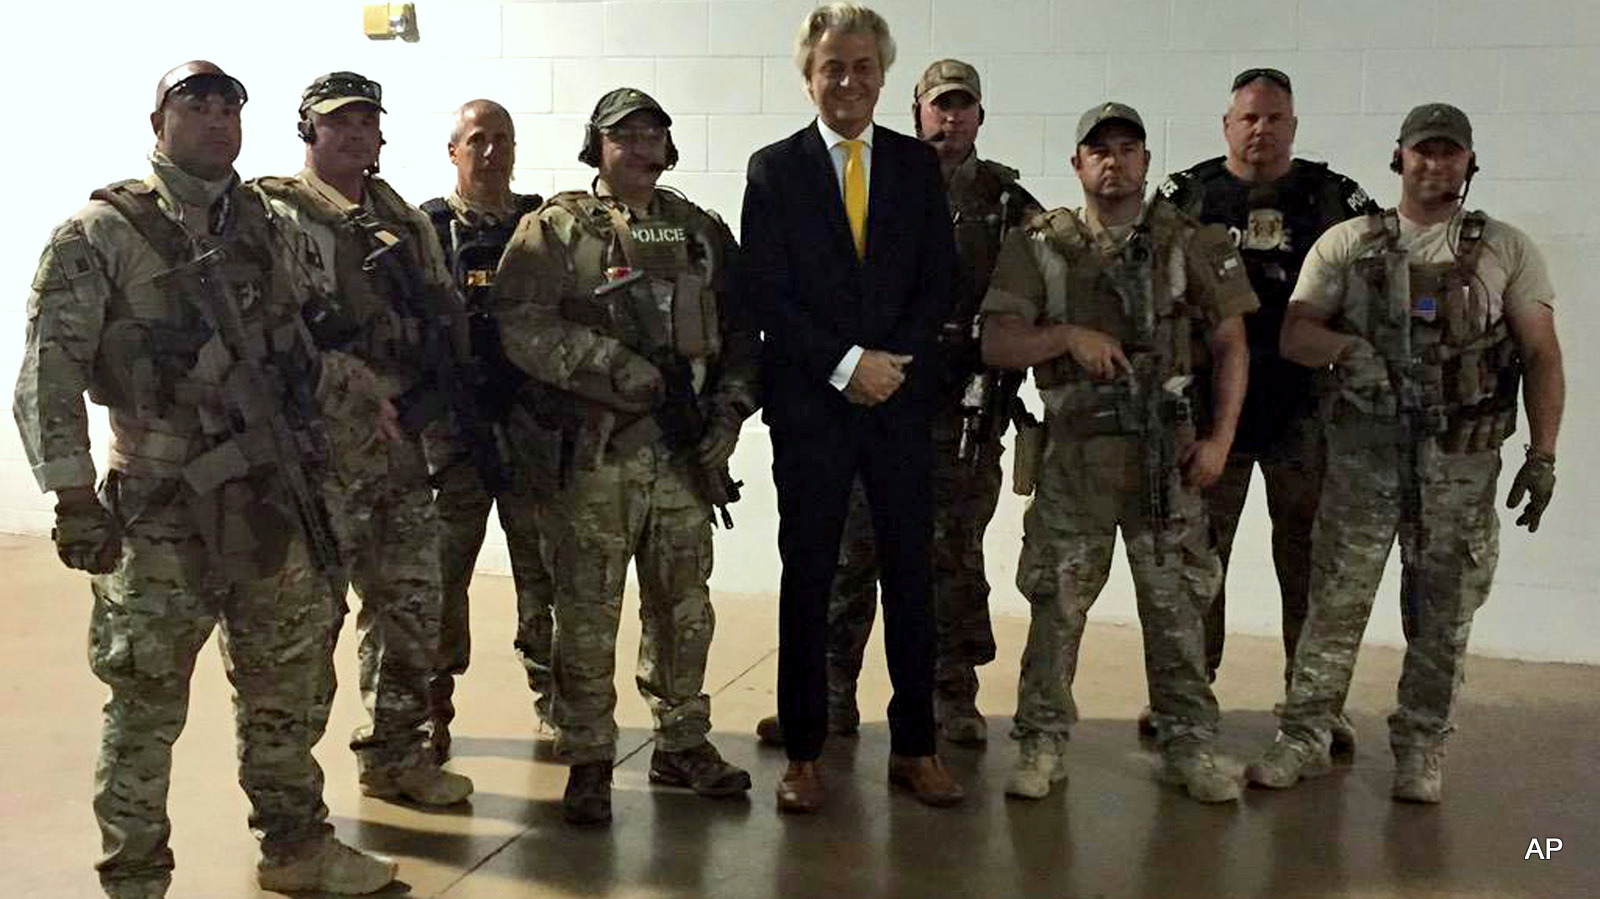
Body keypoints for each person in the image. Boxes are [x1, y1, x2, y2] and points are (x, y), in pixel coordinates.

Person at [13, 61, 397, 898]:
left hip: (268, 499)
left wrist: (354, 398)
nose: (218, 119)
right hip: (157, 514)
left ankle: (295, 845)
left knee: (283, 687)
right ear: (158, 118)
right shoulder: (100, 233)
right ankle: (136, 875)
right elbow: (47, 374)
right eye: (197, 104)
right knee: (145, 704)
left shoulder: (268, 222)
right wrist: (73, 495)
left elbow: (302, 342)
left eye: (230, 106)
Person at [1244, 103, 1564, 803]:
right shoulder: (1348, 242)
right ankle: (1304, 732)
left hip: (1460, 464)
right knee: (1334, 598)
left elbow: (1541, 355)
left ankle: (1421, 746)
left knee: (1443, 611)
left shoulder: (1507, 249)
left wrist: (1543, 455)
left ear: (1469, 164)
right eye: (1422, 151)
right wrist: (1347, 350)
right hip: (1364, 459)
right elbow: (1297, 335)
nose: (1434, 164)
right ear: (1399, 158)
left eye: (1449, 152)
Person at [753, 58, 1039, 749]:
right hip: (859, 393)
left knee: (950, 558)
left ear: (980, 115)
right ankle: (831, 694)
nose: (951, 118)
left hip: (959, 413)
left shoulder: (1009, 203)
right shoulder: (871, 173)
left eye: (963, 106)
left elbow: (1034, 292)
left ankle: (951, 696)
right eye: (939, 105)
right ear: (917, 111)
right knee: (847, 556)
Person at [492, 87, 759, 826]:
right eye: (624, 135)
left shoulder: (700, 231)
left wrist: (728, 417)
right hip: (595, 458)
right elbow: (517, 322)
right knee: (586, 611)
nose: (640, 147)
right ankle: (587, 757)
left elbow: (743, 333)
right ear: (597, 146)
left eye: (653, 135)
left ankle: (681, 740)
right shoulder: (556, 229)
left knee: (684, 608)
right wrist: (610, 363)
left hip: (682, 457)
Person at [982, 102, 1257, 804]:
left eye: (1128, 148)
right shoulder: (1040, 243)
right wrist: (1067, 336)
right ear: (1077, 164)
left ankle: (1188, 743)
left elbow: (1231, 344)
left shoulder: (1189, 241)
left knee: (1178, 610)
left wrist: (1221, 439)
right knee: (1057, 607)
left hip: (1169, 458)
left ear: (1145, 162)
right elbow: (998, 342)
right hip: (1076, 459)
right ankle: (1042, 741)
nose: (1114, 161)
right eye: (1098, 150)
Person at [741, 2, 963, 813]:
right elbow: (766, 292)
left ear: (883, 75)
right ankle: (804, 753)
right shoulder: (774, 170)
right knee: (809, 577)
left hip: (900, 403)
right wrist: (844, 365)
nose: (848, 80)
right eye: (832, 66)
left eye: (863, 66)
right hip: (812, 408)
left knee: (912, 576)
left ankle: (917, 747)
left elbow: (938, 281)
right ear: (809, 76)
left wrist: (888, 366)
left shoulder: (913, 167)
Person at [253, 71, 473, 807]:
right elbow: (271, 331)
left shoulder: (401, 217)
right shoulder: (271, 214)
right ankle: (291, 808)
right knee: (307, 626)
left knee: (411, 603)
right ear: (307, 130)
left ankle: (395, 756)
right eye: (336, 121)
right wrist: (350, 383)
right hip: (320, 453)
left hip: (401, 446)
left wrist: (434, 397)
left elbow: (441, 315)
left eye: (365, 122)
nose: (353, 133)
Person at [1151, 66, 1378, 751]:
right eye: (1248, 117)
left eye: (1274, 117)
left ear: (1293, 126)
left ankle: (1313, 702)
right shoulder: (1186, 197)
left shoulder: (1333, 197)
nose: (1261, 129)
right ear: (1226, 125)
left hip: (1304, 413)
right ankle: (1188, 699)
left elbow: (1372, 286)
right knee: (1198, 561)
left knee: (1310, 560)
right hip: (1212, 411)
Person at [419, 99, 558, 761]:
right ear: (454, 151)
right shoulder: (426, 230)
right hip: (454, 437)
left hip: (532, 428)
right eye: (478, 139)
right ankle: (432, 708)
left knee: (546, 573)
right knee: (443, 577)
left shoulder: (544, 225)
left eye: (504, 138)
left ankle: (554, 699)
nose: (493, 152)